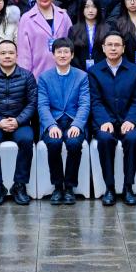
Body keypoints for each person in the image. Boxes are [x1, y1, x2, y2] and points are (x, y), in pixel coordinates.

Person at [0, 39, 37, 206]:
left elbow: (32, 103)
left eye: (11, 53)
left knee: (26, 140)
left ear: (17, 55)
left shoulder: (27, 76)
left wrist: (18, 120)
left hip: (20, 122)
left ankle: (20, 185)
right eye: (3, 53)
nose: (7, 56)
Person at [88, 30, 136, 206]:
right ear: (103, 48)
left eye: (117, 45)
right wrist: (104, 121)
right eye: (110, 45)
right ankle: (109, 188)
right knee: (104, 140)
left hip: (129, 120)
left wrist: (131, 120)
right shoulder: (94, 71)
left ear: (123, 48)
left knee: (133, 139)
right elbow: (95, 101)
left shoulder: (135, 71)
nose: (113, 48)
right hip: (105, 121)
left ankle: (128, 187)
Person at [37, 38, 90, 205]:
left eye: (66, 52)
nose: (62, 55)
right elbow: (42, 105)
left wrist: (77, 125)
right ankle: (58, 186)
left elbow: (84, 104)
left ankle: (70, 187)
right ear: (53, 55)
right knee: (54, 143)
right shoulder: (44, 77)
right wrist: (51, 125)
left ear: (72, 55)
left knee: (74, 144)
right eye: (59, 52)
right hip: (54, 122)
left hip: (74, 121)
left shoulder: (82, 76)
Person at [16, 0, 73, 76]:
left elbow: (71, 43)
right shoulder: (27, 19)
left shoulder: (63, 15)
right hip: (37, 74)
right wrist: (26, 77)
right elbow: (23, 54)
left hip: (64, 72)